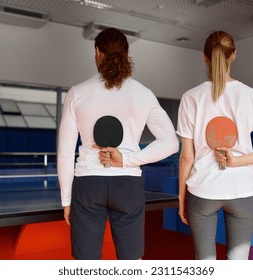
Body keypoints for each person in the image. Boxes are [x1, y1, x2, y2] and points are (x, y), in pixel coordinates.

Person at [57, 27, 179, 260]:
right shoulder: (143, 93)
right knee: (131, 262)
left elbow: (65, 152)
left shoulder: (77, 93)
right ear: (126, 54)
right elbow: (171, 142)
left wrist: (66, 199)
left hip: (88, 184)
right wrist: (127, 159)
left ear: (97, 53)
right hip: (127, 185)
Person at [177, 30, 253, 260]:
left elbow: (187, 156)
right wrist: (237, 161)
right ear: (233, 55)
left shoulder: (191, 97)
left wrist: (181, 197)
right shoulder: (252, 96)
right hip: (242, 191)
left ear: (204, 57)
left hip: (202, 191)